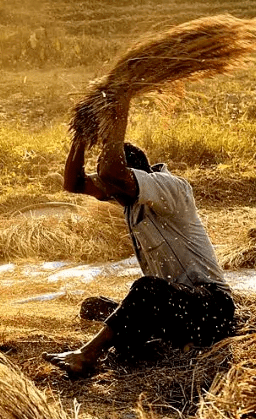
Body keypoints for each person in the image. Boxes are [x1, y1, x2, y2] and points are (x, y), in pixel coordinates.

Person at [43, 135, 235, 377]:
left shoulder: (171, 188)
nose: (108, 193)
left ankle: (88, 354)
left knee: (147, 289)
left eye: (110, 185)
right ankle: (161, 339)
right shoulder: (129, 197)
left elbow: (114, 174)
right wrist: (81, 137)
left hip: (212, 309)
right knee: (93, 306)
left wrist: (114, 120)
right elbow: (74, 183)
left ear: (130, 176)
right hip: (174, 309)